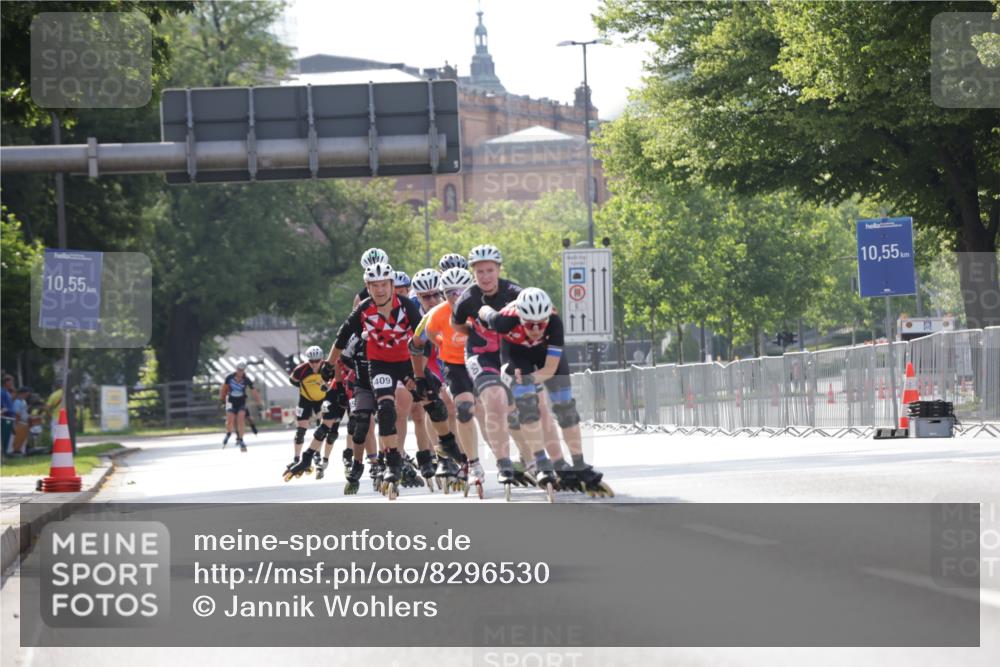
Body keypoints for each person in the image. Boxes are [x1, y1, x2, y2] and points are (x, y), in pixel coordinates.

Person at [479, 288, 612, 497]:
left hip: (544, 356)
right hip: (516, 354)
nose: (535, 329)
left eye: (541, 324)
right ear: (520, 318)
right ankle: (541, 462)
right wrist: (484, 316)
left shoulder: (555, 323)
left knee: (566, 409)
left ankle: (579, 464)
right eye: (530, 324)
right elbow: (483, 310)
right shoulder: (504, 321)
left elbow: (549, 369)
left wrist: (531, 379)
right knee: (527, 406)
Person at [324, 261, 426, 500]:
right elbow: (341, 348)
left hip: (393, 372)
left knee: (398, 409)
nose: (380, 290)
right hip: (364, 381)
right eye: (374, 286)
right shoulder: (360, 321)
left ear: (391, 286)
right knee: (362, 423)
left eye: (384, 285)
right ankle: (359, 464)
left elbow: (420, 337)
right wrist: (332, 372)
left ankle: (418, 456)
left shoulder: (403, 310)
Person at [450, 244, 525, 491]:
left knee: (515, 410)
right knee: (494, 400)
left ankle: (528, 457)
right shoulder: (467, 298)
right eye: (480, 272)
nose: (485, 277)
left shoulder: (515, 292)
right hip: (480, 355)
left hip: (509, 354)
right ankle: (503, 464)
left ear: (499, 269)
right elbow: (457, 324)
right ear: (473, 273)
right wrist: (475, 333)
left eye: (490, 270)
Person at [415, 266, 487, 493]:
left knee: (482, 406)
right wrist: (419, 376)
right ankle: (450, 457)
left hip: (474, 359)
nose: (455, 297)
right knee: (446, 404)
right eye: (449, 293)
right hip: (443, 361)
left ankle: (484, 456)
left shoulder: (480, 306)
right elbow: (416, 342)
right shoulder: (433, 313)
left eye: (460, 292)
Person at [284, 346, 330, 473]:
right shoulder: (301, 369)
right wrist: (302, 385)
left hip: (321, 400)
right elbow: (292, 380)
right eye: (311, 361)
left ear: (322, 359)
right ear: (308, 360)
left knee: (321, 429)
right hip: (305, 400)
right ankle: (296, 459)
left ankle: (317, 454)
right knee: (300, 431)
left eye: (317, 361)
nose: (314, 364)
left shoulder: (327, 367)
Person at [219, 361, 262, 452]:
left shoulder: (246, 379)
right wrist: (222, 400)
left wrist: (259, 402)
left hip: (241, 401)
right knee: (230, 420)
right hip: (230, 401)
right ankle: (228, 433)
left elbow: (254, 391)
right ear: (236, 369)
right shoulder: (229, 377)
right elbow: (224, 389)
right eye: (239, 370)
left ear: (244, 370)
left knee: (241, 419)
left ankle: (241, 439)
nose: (240, 372)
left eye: (242, 370)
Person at [1, 374, 15, 457]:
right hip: (4, 418)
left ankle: (6, 454)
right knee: (4, 437)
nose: (12, 383)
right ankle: (3, 454)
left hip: (10, 417)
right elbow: (3, 406)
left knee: (8, 437)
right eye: (11, 382)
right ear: (6, 382)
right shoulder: (1, 392)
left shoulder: (7, 392)